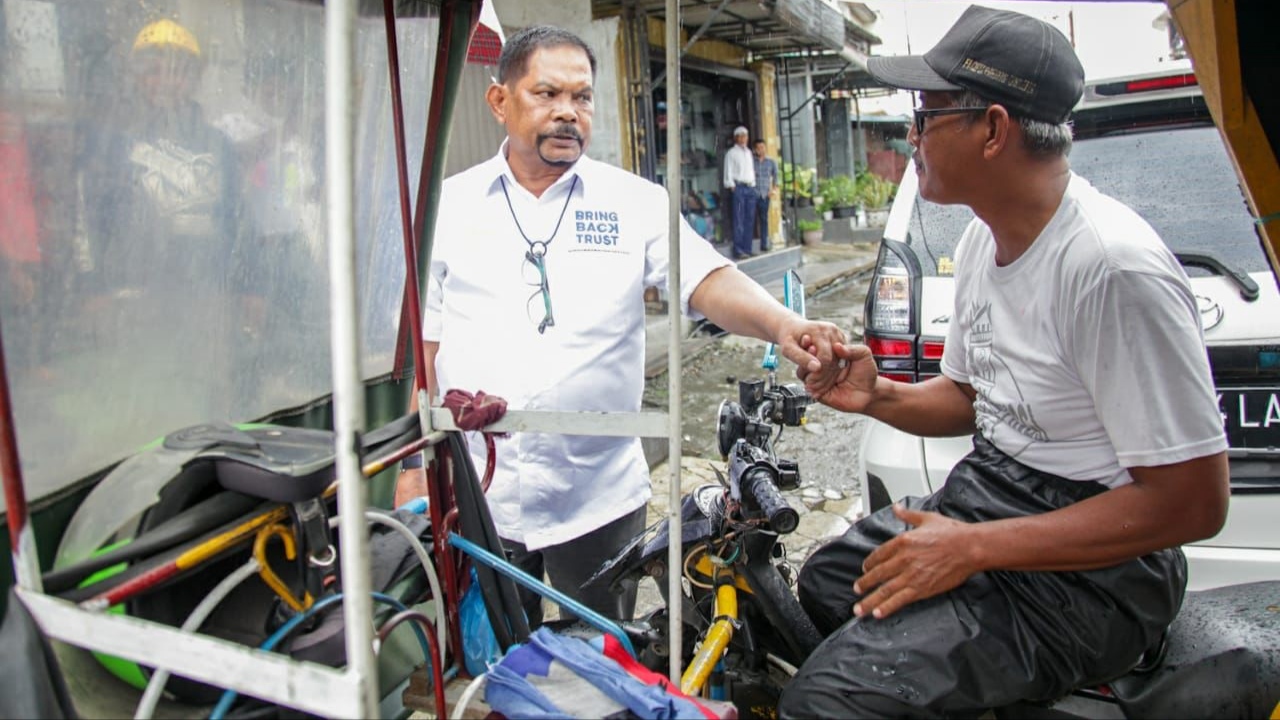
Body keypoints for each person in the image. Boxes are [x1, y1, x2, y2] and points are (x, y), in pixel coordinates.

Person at [779, 6, 1229, 717]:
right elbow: (971, 396)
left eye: (927, 114)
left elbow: (1193, 502)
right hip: (996, 492)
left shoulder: (1111, 268)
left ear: (993, 129)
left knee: (826, 702)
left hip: (1096, 576)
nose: (911, 136)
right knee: (828, 584)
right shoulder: (989, 241)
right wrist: (880, 397)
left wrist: (974, 549)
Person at [394, 25, 845, 627]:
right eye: (546, 94)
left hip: (598, 496)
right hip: (481, 496)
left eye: (581, 98)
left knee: (608, 657)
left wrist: (783, 323)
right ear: (500, 101)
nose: (567, 113)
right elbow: (423, 346)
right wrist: (409, 469)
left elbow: (705, 279)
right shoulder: (447, 207)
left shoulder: (631, 202)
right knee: (491, 662)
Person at [722, 125, 755, 259]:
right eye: (740, 136)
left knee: (749, 219)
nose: (743, 138)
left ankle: (747, 248)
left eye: (745, 136)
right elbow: (728, 171)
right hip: (739, 188)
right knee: (739, 219)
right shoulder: (731, 153)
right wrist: (731, 185)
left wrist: (753, 185)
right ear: (736, 138)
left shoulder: (749, 152)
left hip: (750, 187)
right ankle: (739, 250)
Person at [751, 139, 777, 252]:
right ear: (755, 149)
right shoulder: (751, 162)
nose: (761, 150)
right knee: (751, 219)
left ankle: (764, 244)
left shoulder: (771, 162)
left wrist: (773, 190)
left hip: (764, 195)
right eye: (758, 148)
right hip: (753, 194)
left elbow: (776, 177)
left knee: (764, 220)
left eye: (762, 147)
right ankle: (749, 247)